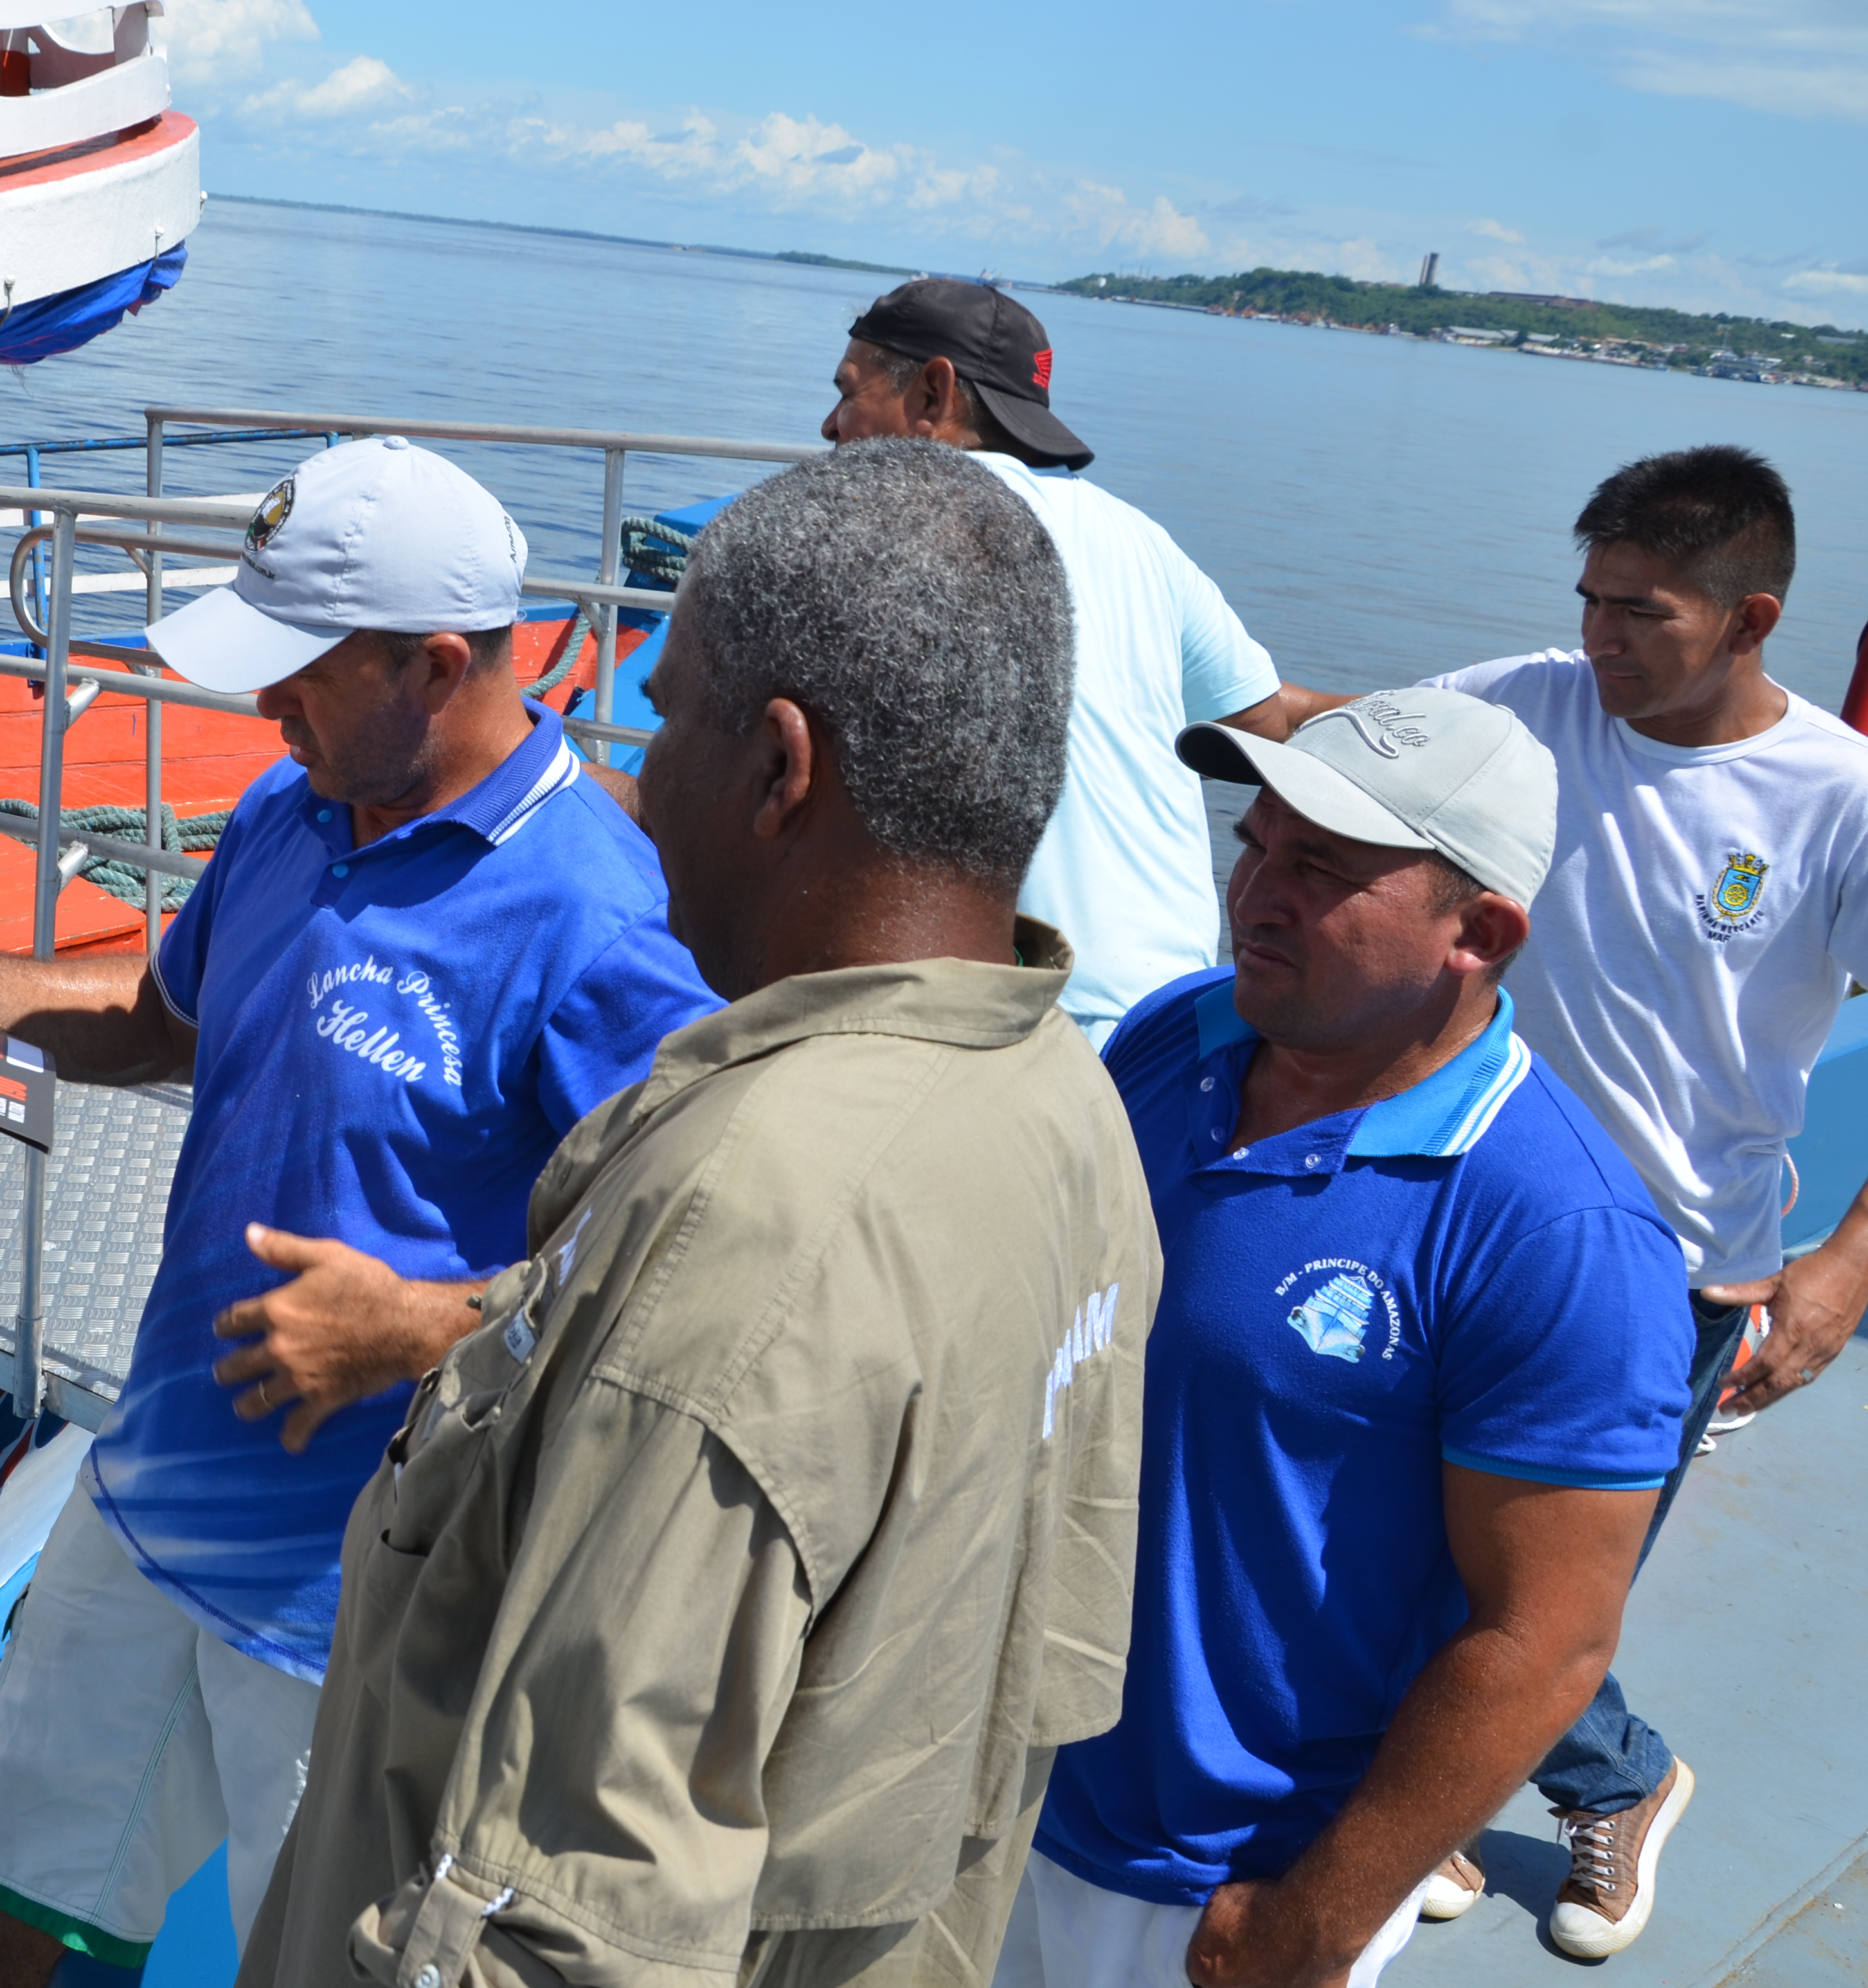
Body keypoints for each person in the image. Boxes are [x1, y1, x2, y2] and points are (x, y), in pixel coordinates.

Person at [239, 437, 1161, 1988]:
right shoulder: (1066, 1102)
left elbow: (574, 1922)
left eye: (664, 722)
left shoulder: (752, 1207)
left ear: (781, 768)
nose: (630, 777)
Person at [0, 436, 719, 1985]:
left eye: (299, 667)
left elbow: (683, 1278)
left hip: (354, 1604)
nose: (261, 705)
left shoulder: (599, 912)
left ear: (438, 666)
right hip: (140, 1494)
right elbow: (164, 1014)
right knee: (12, 1876)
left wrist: (421, 1328)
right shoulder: (291, 813)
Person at [1015, 690, 1693, 1988]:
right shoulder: (1181, 1030)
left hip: (1218, 1879)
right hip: (1011, 1772)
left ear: (1477, 933)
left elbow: (1543, 1637)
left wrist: (1312, 1922)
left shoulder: (1555, 1233)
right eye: (1255, 843)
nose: (1256, 891)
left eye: (1320, 870)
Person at [1401, 445, 1868, 1955]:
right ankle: (1441, 1804)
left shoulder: (1836, 797)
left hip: (1674, 1267)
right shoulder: (1533, 698)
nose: (1596, 639)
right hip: (1470, 1214)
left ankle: (1623, 1779)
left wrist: (1847, 1264)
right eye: (1589, 600)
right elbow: (1345, 738)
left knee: (1538, 1592)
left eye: (1640, 614)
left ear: (1752, 619)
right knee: (1413, 1534)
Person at [820, 278, 1336, 1043]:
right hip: (1178, 1007)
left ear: (933, 393)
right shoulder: (1137, 538)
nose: (829, 427)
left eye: (847, 393)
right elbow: (1264, 722)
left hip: (1002, 1006)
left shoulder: (874, 529)